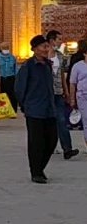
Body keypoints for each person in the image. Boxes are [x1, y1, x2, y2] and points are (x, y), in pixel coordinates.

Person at [16, 35, 58, 184]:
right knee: (36, 142)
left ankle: (40, 167)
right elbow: (20, 88)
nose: (46, 49)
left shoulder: (48, 65)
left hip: (49, 109)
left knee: (52, 139)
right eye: (43, 47)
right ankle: (36, 172)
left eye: (47, 46)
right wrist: (25, 105)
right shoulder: (28, 66)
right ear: (34, 49)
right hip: (34, 109)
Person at [47, 30, 78, 160]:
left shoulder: (60, 56)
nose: (61, 42)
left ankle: (67, 149)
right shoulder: (42, 56)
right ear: (52, 40)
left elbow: (61, 75)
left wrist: (66, 92)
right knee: (47, 121)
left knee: (61, 120)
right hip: (45, 94)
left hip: (58, 92)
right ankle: (47, 147)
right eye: (59, 39)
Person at [68, 55, 87, 150]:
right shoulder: (77, 66)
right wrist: (72, 99)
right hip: (83, 97)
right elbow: (72, 83)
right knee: (86, 121)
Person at [0, 42, 18, 112]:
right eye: (4, 48)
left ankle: (13, 111)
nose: (6, 49)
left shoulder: (12, 57)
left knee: (12, 95)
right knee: (1, 95)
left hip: (10, 78)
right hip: (1, 78)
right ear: (1, 49)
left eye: (7, 48)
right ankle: (3, 111)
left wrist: (16, 79)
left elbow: (15, 69)